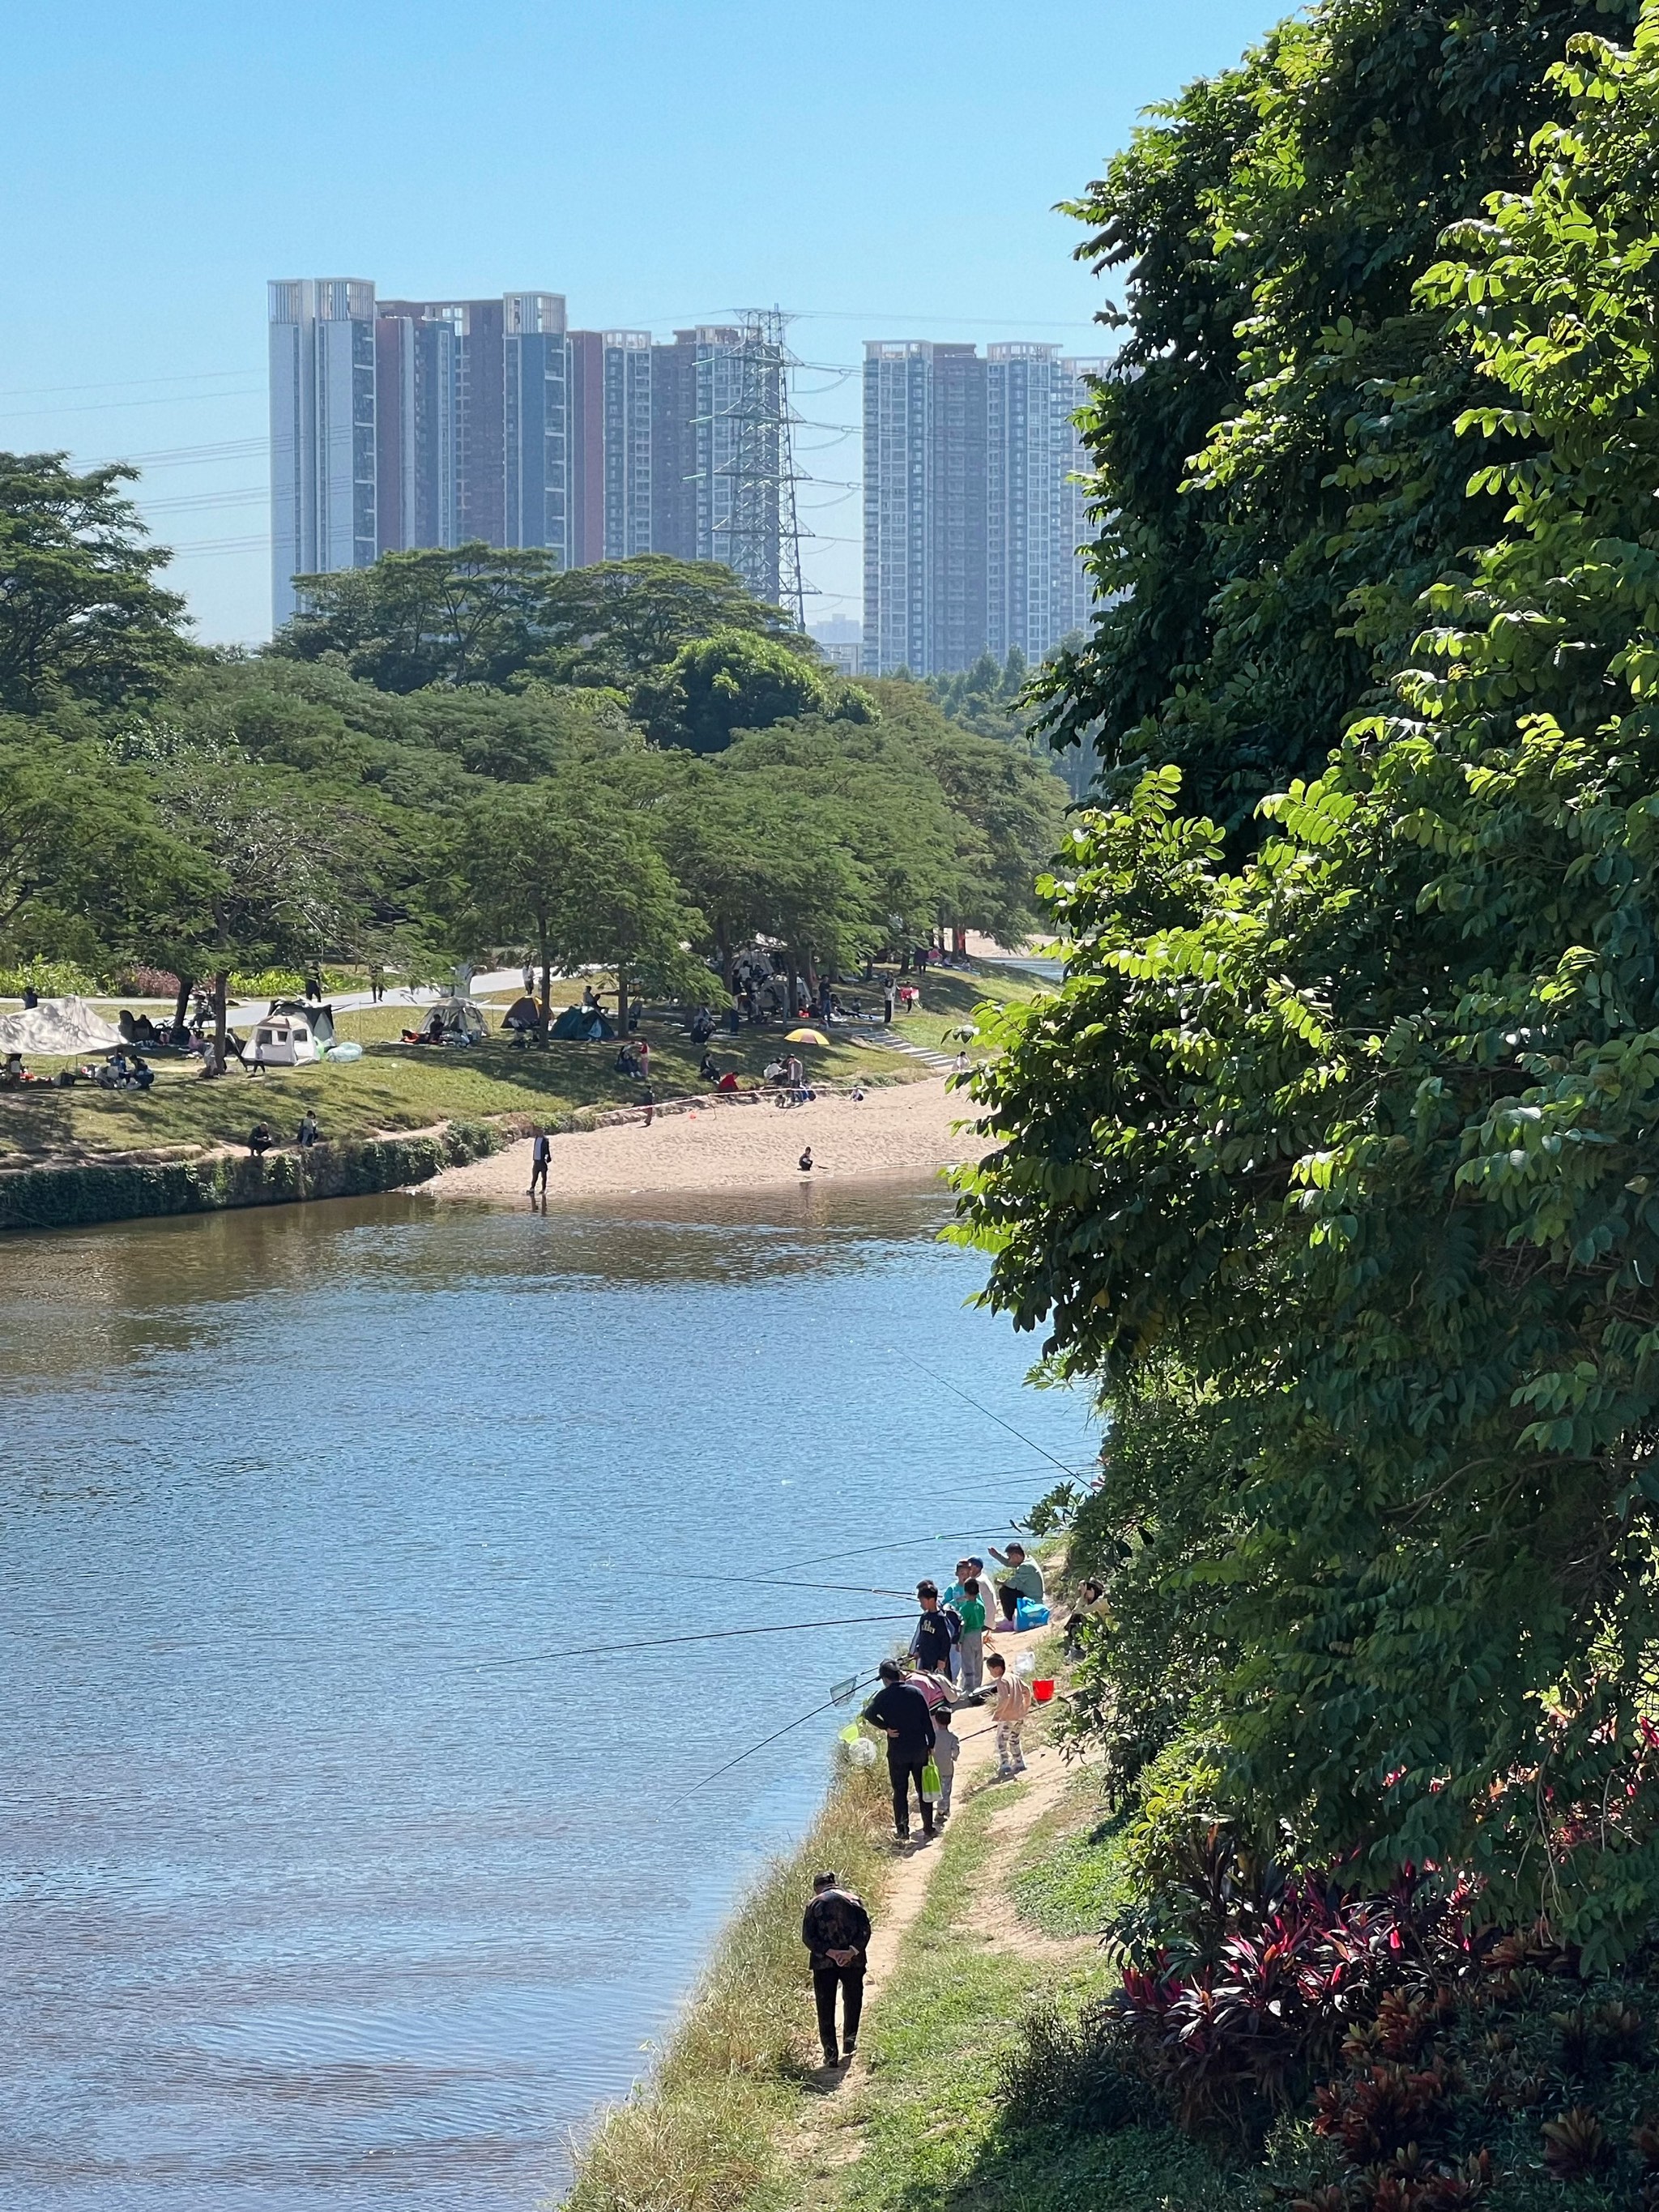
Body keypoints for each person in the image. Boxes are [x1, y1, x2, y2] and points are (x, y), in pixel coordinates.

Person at [860, 1659, 936, 1843]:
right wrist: (931, 1744)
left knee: (900, 1791)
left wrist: (885, 1727)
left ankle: (903, 1831)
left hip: (898, 1752)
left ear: (886, 1679)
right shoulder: (916, 1693)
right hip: (919, 1748)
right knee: (923, 1789)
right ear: (899, 1675)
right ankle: (928, 1827)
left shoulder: (882, 1697)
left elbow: (868, 1714)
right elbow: (927, 1721)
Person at [801, 1870, 871, 2070]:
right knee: (853, 1999)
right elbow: (865, 1931)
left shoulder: (814, 1903)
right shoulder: (854, 1900)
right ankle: (849, 2043)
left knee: (825, 2007)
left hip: (824, 1963)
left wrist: (830, 1952)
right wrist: (850, 1952)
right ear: (836, 1884)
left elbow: (808, 1938)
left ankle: (830, 2054)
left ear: (817, 1887)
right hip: (853, 1961)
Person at [987, 1652, 1033, 1779]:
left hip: (1008, 1716)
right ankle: (1020, 1762)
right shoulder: (1013, 1677)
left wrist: (999, 1713)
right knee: (1015, 1739)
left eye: (990, 1670)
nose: (991, 1673)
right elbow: (1027, 1690)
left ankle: (1005, 1764)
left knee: (1001, 1741)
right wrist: (1026, 1706)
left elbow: (1005, 1698)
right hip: (1019, 1715)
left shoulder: (1001, 1681)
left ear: (997, 1669)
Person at [988, 1540, 1045, 1625]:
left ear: (1016, 1556)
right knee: (1007, 1589)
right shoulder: (1028, 1559)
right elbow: (1009, 1563)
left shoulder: (1026, 1567)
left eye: (1010, 1557)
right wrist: (996, 1555)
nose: (1009, 1560)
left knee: (1005, 1591)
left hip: (1033, 1599)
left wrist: (1002, 1582)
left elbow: (1013, 1585)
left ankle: (1009, 1620)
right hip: (1030, 1594)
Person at [910, 1581, 955, 1676]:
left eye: (922, 1601)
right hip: (925, 1659)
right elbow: (922, 1637)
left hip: (937, 1661)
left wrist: (942, 1659)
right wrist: (918, 1650)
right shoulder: (924, 1617)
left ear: (931, 1600)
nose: (921, 1604)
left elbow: (946, 1640)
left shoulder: (940, 1618)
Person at [955, 1574, 988, 1694]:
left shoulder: (964, 1609)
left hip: (968, 1636)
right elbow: (983, 1617)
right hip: (978, 1634)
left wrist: (959, 1641)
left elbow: (963, 1626)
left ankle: (969, 1687)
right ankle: (978, 1684)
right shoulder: (980, 1605)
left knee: (968, 1661)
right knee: (978, 1659)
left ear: (966, 1592)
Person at [928, 1704, 961, 1823]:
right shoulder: (952, 1737)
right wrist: (954, 1758)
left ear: (936, 1720)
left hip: (934, 1768)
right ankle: (942, 1811)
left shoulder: (932, 1736)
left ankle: (938, 1810)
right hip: (947, 1768)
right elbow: (956, 1751)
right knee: (946, 1790)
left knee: (935, 1790)